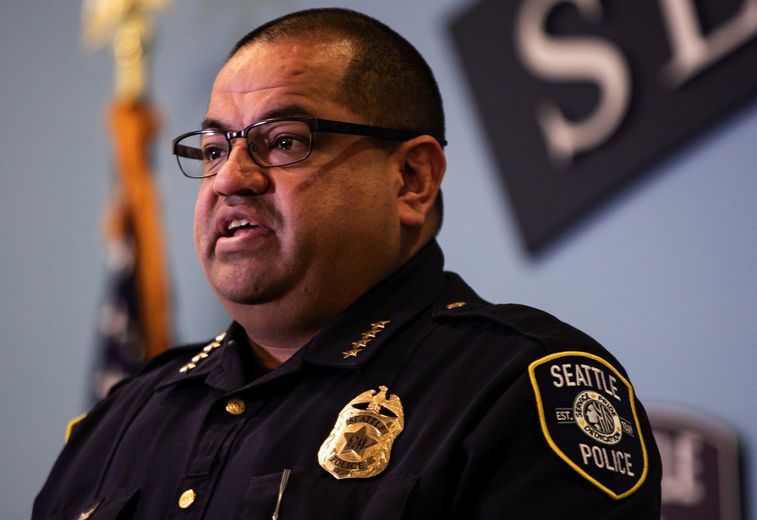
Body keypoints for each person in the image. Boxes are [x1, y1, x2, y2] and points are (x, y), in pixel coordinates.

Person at [34, 8, 661, 519]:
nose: (229, 178)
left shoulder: (515, 388)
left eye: (284, 142)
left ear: (411, 179)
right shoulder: (120, 420)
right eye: (215, 148)